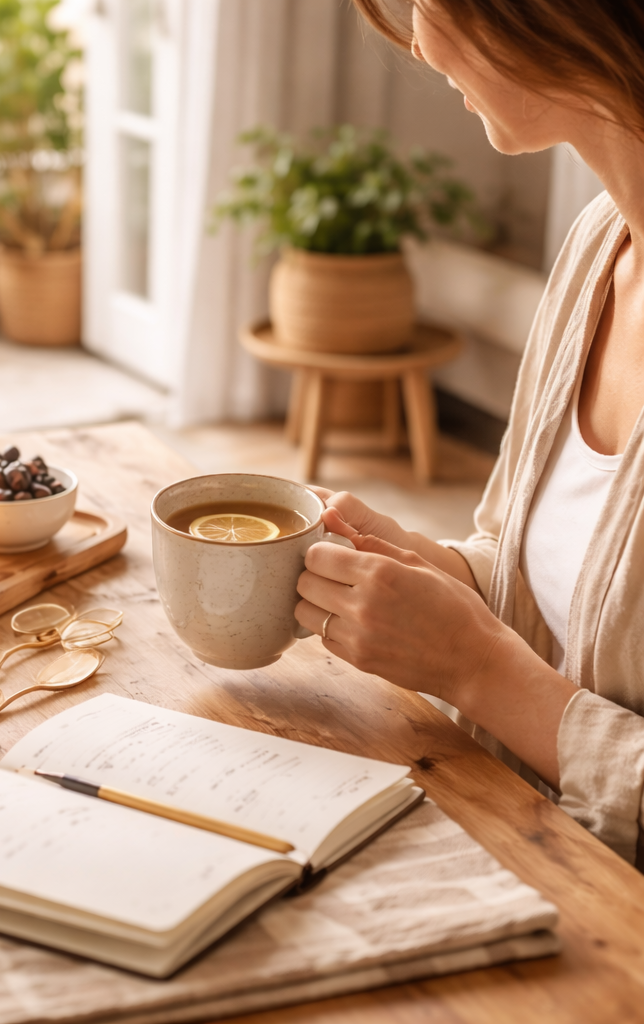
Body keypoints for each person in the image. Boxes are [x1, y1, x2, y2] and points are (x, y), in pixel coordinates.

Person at [294, 0, 644, 865]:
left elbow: (509, 666)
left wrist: (477, 670)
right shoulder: (603, 243)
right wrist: (429, 570)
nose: (416, 39)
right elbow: (544, 580)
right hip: (517, 838)